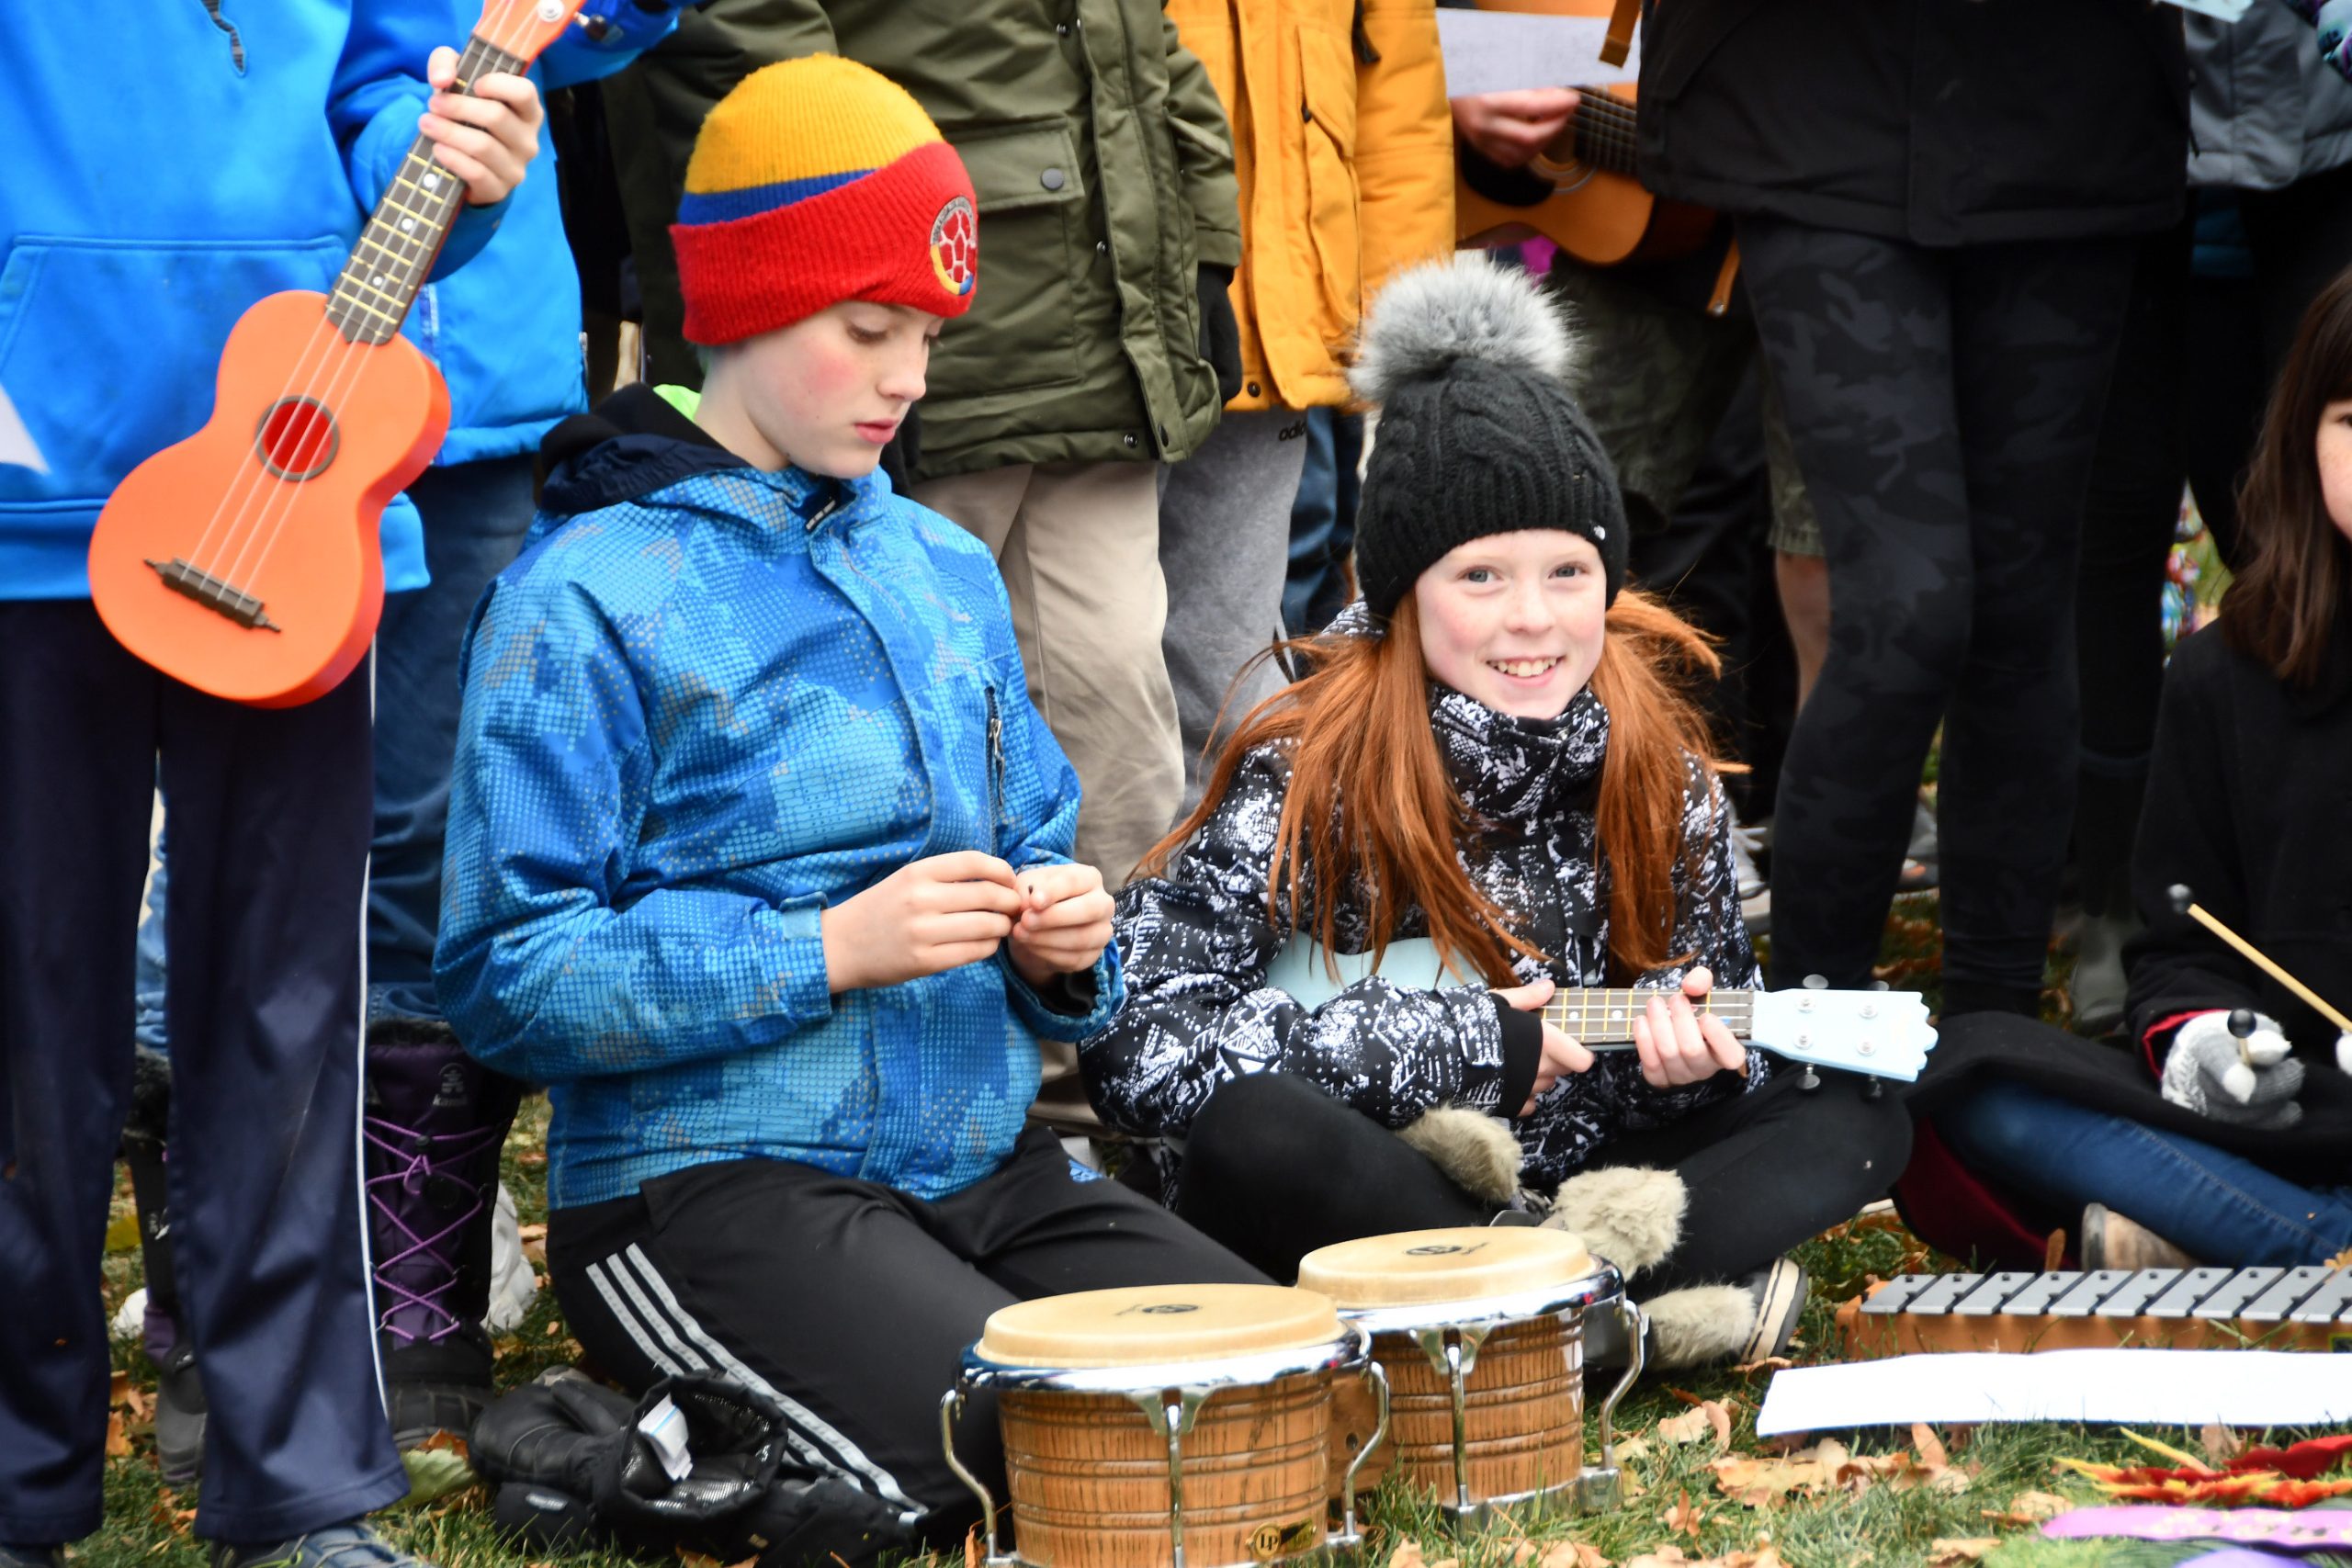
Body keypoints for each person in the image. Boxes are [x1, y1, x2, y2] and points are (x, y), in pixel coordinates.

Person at [434, 59, 1265, 1544]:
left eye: (929, 338)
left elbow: (1035, 859)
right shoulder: (583, 597)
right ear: (743, 307)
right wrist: (825, 948)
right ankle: (649, 1452)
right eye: (866, 329)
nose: (909, 378)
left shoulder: (938, 570)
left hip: (985, 1169)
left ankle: (822, 1396)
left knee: (1257, 1381)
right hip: (710, 1191)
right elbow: (506, 980)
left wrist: (1065, 943)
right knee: (1038, 1461)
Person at [1080, 256, 1911, 1370]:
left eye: (1568, 573)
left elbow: (1703, 1023)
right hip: (1381, 1178)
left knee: (1855, 1116)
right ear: (1402, 592)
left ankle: (1529, 1309)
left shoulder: (1661, 775)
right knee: (1253, 1132)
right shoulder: (1303, 768)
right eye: (1480, 578)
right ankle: (1591, 1311)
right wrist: (1461, 1045)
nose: (1534, 620)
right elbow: (1138, 1048)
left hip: (1573, 1177)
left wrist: (1686, 1058)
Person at [0, 9, 543, 1568]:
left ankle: (298, 1482)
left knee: (286, 1013)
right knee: (22, 1018)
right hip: (26, 493)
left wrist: (455, 167)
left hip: (302, 492)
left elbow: (390, 82)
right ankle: (15, 1479)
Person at [598, 0, 1240, 890]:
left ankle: (1099, 1009)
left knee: (1118, 732)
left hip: (1101, 334)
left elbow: (1142, 33)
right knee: (866, 738)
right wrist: (835, 310)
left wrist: (1199, 237)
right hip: (900, 285)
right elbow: (747, 46)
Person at [1636, 0, 2186, 1017]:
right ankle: (1814, 1042)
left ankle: (1994, 1034)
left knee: (2023, 612)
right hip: (1810, 99)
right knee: (1906, 611)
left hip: (2070, 108)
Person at [1903, 268, 2352, 1273]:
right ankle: (2307, 1241)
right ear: (2301, 442)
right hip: (2294, 1121)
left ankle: (2256, 1241)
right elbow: (2179, 946)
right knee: (1980, 1076)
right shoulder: (2221, 673)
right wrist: (2202, 1046)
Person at [1157, 0, 1454, 811]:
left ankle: (1235, 912)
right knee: (1085, 666)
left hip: (1279, 320)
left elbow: (1398, 107)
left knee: (1236, 672)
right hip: (1093, 315)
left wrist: (1411, 347)